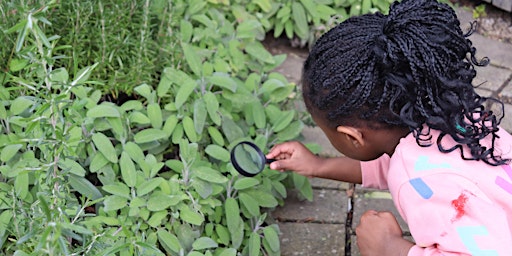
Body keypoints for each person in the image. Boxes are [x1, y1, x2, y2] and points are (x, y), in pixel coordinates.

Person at [265, 0, 512, 255]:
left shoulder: (422, 181)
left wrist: (390, 247)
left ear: (352, 137)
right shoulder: (443, 113)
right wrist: (318, 166)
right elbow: (391, 164)